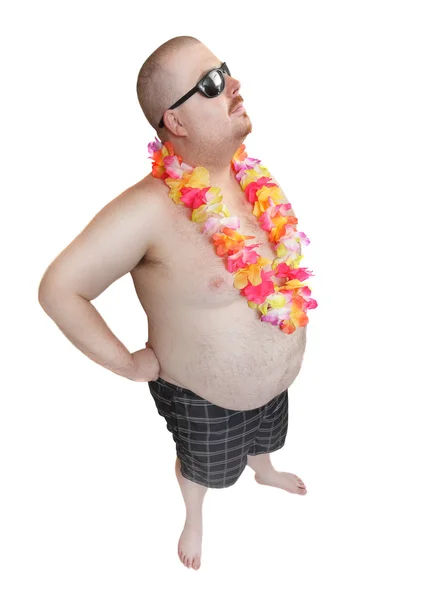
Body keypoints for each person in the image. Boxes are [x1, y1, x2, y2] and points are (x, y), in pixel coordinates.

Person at [38, 35, 312, 572]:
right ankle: (193, 515)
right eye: (211, 84)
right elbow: (59, 288)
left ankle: (265, 467)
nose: (233, 85)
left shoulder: (249, 177)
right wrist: (128, 363)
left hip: (276, 386)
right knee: (204, 469)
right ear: (176, 122)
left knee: (267, 435)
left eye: (226, 70)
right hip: (203, 398)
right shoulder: (147, 210)